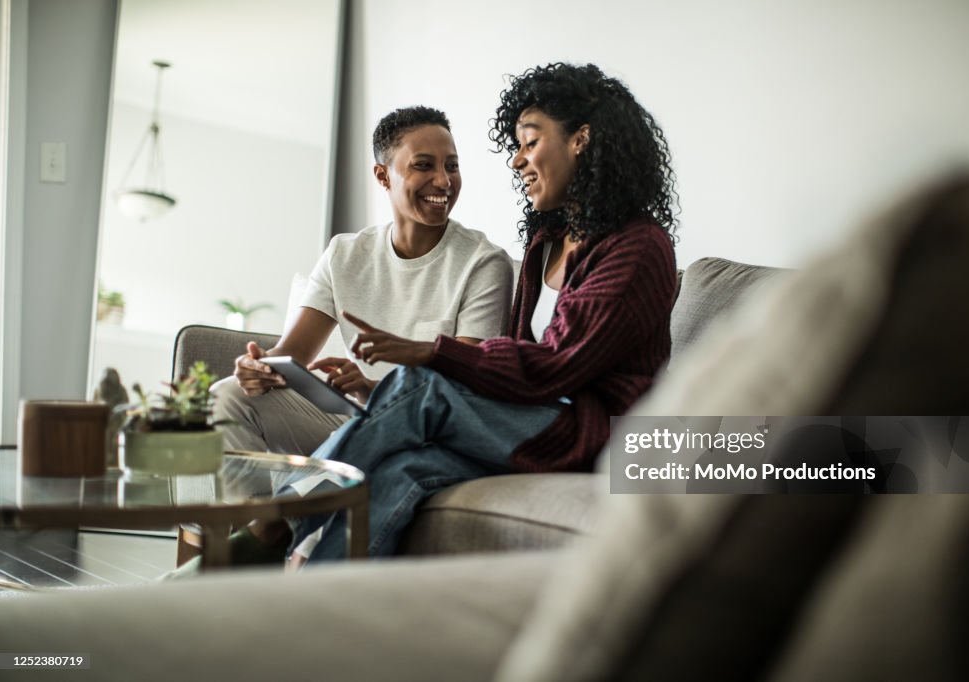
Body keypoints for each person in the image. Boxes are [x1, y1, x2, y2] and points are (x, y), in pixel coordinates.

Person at [202, 62, 679, 568]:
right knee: (401, 469)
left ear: (580, 140)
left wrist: (429, 352)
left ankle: (275, 520)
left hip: (594, 436)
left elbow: (554, 365)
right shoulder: (545, 242)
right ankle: (309, 598)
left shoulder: (638, 247)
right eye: (516, 145)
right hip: (530, 423)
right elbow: (521, 366)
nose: (517, 160)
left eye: (530, 141)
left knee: (419, 383)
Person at [212, 106, 513, 459]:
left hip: (424, 430)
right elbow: (290, 354)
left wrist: (370, 388)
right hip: (352, 418)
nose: (444, 181)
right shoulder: (345, 254)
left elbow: (462, 391)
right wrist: (260, 368)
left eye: (452, 166)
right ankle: (253, 515)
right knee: (227, 394)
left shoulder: (485, 262)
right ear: (383, 176)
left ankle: (281, 512)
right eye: (424, 165)